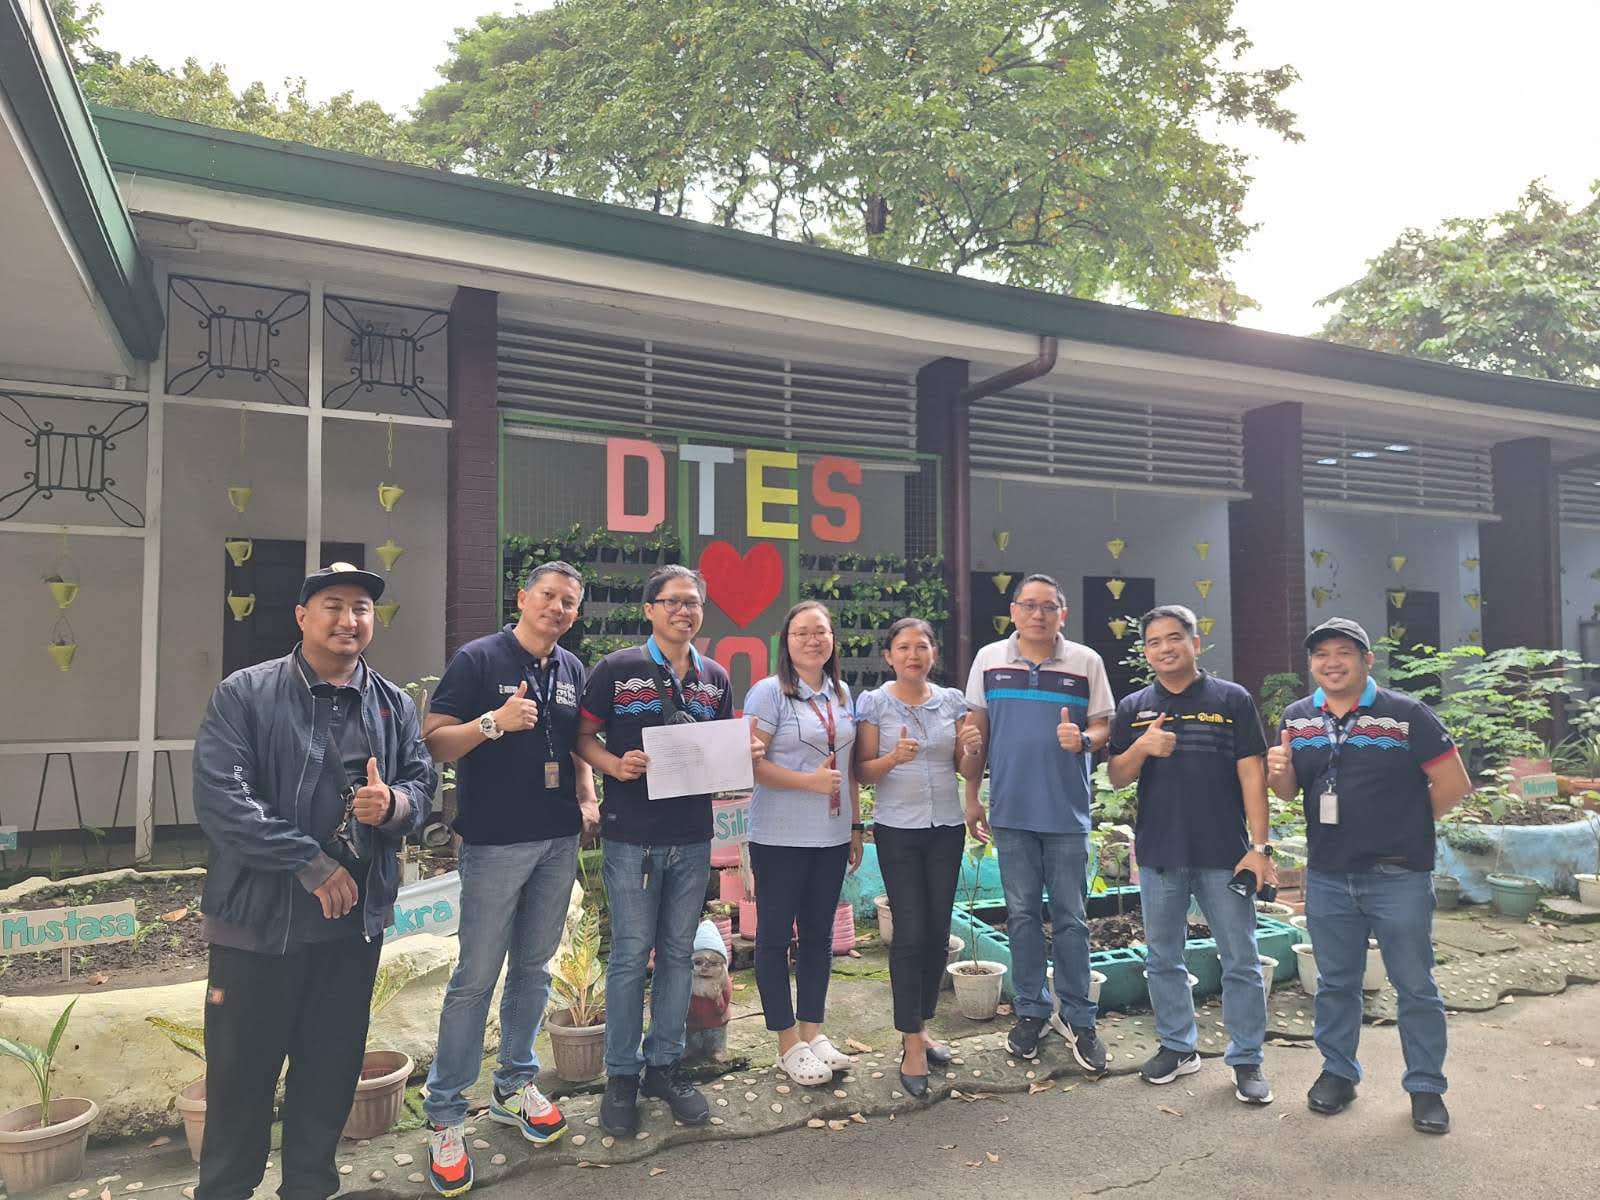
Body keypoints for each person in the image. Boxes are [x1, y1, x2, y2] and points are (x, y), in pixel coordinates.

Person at [191, 563, 434, 1200]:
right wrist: (310, 862)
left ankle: (309, 1188)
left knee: (329, 1071)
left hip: (351, 926)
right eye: (333, 605)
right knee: (241, 1078)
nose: (348, 619)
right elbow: (222, 799)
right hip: (258, 922)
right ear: (302, 616)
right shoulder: (245, 693)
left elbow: (421, 783)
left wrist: (395, 805)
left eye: (360, 608)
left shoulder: (392, 703)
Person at [419, 561, 599, 1195]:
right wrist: (493, 722)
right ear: (522, 598)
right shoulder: (477, 659)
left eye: (568, 602)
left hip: (556, 838)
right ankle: (444, 1114)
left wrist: (585, 795)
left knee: (535, 969)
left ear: (575, 613)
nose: (556, 607)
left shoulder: (572, 669)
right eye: (547, 596)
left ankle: (514, 1084)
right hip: (495, 843)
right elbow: (434, 742)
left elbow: (577, 742)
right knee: (474, 979)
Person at [1267, 617, 1473, 1135]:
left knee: (1415, 986)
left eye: (1343, 653)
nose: (1331, 663)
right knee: (1335, 984)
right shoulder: (1296, 718)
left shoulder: (1406, 715)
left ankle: (1426, 1088)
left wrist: (1405, 828)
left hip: (1398, 875)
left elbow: (1452, 783)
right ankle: (1338, 1073)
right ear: (1311, 664)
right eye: (1321, 655)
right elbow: (1292, 792)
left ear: (1366, 660)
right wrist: (1280, 773)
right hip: (1330, 875)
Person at [576, 565, 758, 1136]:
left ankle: (665, 1066)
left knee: (677, 955)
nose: (685, 611)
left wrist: (741, 750)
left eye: (694, 603)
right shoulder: (618, 669)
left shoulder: (714, 677)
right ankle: (622, 1076)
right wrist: (613, 765)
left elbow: (717, 747)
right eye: (673, 601)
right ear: (650, 609)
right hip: (632, 834)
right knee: (631, 955)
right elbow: (582, 736)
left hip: (691, 835)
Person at [1107, 604, 1275, 1105]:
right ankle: (1179, 1047)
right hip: (1160, 853)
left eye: (1175, 638)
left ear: (1195, 643)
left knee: (1240, 959)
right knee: (1163, 957)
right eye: (1155, 642)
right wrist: (1144, 747)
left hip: (1224, 852)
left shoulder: (1232, 700)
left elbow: (1253, 776)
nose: (1165, 648)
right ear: (1146, 652)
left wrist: (1260, 848)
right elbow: (1117, 776)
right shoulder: (1134, 706)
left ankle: (1247, 1059)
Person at [962, 573, 1114, 1072]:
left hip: (1066, 813)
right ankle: (1031, 1010)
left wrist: (1085, 742)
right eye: (1029, 605)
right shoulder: (989, 659)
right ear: (1013, 611)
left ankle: (1078, 1016)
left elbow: (1103, 725)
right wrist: (972, 791)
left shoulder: (1085, 661)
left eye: (1049, 606)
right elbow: (976, 729)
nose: (1038, 614)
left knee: (1071, 918)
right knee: (1022, 916)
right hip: (1010, 812)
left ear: (1062, 614)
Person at [854, 617, 984, 1097]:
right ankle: (909, 1042)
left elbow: (962, 766)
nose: (913, 654)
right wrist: (893, 760)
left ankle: (923, 1025)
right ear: (889, 656)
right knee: (908, 933)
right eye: (903, 647)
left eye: (922, 646)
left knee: (936, 932)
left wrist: (972, 749)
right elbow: (864, 772)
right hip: (897, 830)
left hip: (946, 829)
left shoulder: (952, 702)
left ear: (933, 654)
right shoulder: (874, 703)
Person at [744, 601, 863, 1086]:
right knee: (774, 940)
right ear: (786, 642)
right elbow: (750, 764)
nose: (813, 640)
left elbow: (849, 765)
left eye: (821, 632)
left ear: (833, 639)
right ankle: (786, 1042)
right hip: (779, 835)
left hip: (832, 836)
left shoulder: (841, 692)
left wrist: (856, 828)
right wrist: (806, 783)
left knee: (820, 938)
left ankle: (813, 1033)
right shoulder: (768, 694)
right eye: (801, 633)